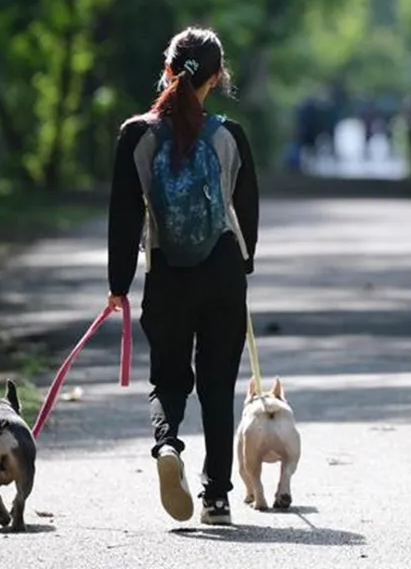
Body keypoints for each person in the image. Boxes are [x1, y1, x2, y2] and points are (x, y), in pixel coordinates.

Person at [106, 26, 260, 527]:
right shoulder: (230, 136)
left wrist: (118, 284)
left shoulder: (137, 135)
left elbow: (123, 217)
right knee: (218, 386)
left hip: (167, 273)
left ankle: (167, 444)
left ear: (168, 69)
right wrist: (245, 262)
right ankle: (216, 496)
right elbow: (248, 210)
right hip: (221, 271)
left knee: (169, 380)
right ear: (216, 78)